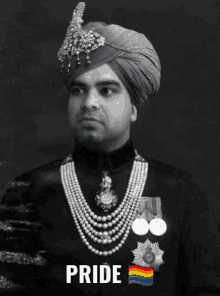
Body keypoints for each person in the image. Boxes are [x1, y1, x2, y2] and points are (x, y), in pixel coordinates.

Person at [0, 2, 220, 295]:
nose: (89, 102)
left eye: (106, 90)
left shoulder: (179, 192)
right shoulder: (27, 191)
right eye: (78, 90)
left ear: (133, 108)